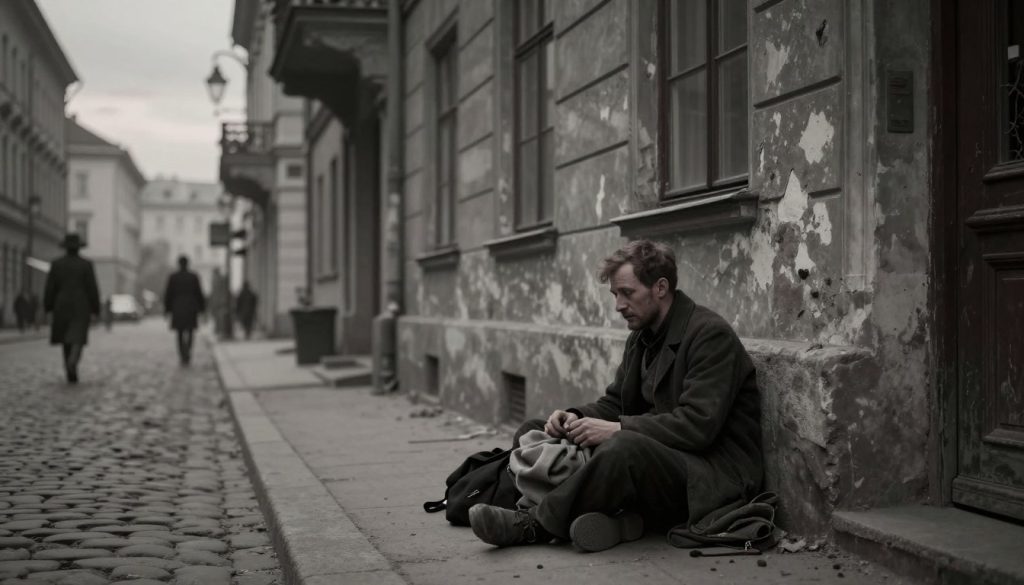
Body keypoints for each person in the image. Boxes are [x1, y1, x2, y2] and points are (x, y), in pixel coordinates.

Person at [467, 240, 763, 552]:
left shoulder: (709, 335)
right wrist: (575, 417)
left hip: (711, 475)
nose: (618, 305)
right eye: (614, 295)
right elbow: (616, 403)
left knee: (622, 447)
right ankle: (620, 520)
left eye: (627, 293)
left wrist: (617, 429)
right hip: (660, 462)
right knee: (533, 429)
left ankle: (533, 525)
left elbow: (697, 426)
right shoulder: (642, 337)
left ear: (660, 288)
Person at [43, 233, 101, 384]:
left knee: (65, 339)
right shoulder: (86, 265)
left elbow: (50, 288)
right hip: (81, 304)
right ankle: (73, 361)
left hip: (61, 304)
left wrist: (48, 307)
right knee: (78, 337)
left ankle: (69, 366)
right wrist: (96, 309)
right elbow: (92, 288)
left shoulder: (57, 264)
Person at [163, 255, 206, 365]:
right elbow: (199, 294)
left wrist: (167, 310)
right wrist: (202, 309)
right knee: (190, 331)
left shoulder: (173, 277)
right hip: (191, 308)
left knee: (180, 333)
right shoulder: (193, 277)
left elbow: (168, 295)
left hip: (178, 308)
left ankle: (183, 354)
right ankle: (188, 352)